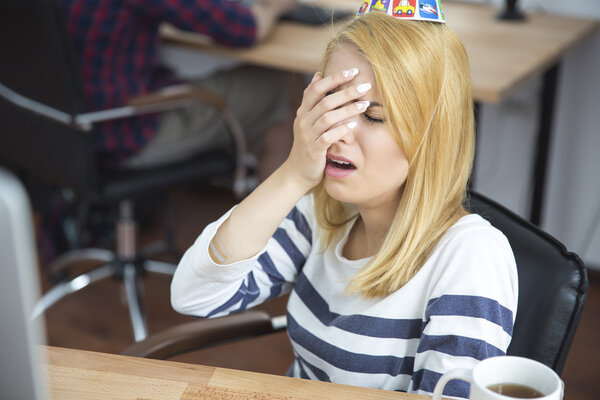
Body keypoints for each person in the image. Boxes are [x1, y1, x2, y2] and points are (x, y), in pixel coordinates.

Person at [170, 4, 518, 399]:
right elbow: (194, 296)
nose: (337, 133)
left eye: (373, 117)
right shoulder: (322, 213)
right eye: (333, 105)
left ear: (431, 135)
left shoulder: (471, 256)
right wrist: (293, 174)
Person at [58, 0, 297, 171]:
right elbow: (245, 28)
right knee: (281, 87)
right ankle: (274, 234)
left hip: (64, 125)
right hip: (125, 133)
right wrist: (273, 6)